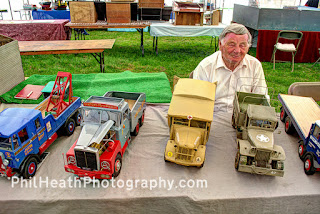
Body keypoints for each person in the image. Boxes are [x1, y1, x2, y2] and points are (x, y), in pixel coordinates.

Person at [192, 23, 268, 112]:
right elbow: (197, 102)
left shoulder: (255, 66)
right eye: (232, 44)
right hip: (213, 116)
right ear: (220, 45)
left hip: (243, 117)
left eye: (242, 45)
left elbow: (261, 98)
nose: (237, 50)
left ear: (248, 47)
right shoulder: (206, 66)